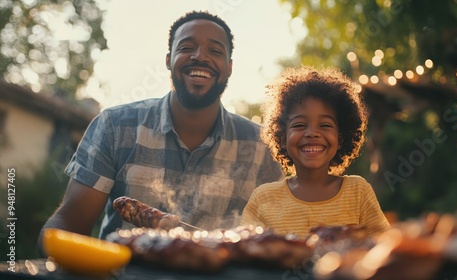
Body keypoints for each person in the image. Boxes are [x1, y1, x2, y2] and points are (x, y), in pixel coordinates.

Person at [38, 10, 283, 250]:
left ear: (229, 67)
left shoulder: (261, 147)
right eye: (186, 47)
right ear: (168, 60)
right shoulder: (114, 126)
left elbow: (275, 238)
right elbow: (70, 223)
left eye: (215, 51)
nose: (200, 56)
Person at [241, 66, 390, 238]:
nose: (312, 133)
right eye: (299, 125)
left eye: (325, 125)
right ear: (282, 138)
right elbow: (246, 251)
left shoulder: (358, 191)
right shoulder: (263, 198)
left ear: (341, 138)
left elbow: (383, 245)